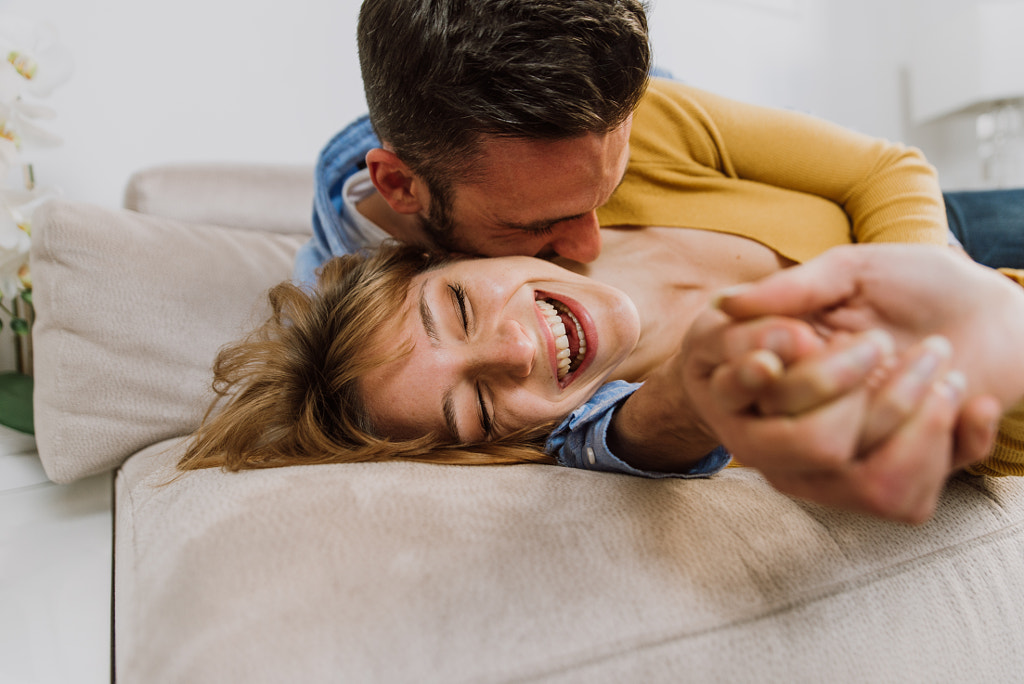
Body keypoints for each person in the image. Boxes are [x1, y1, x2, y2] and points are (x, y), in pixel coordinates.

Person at [295, 0, 1024, 521]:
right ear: (400, 189)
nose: (586, 242)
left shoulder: (593, 127)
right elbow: (626, 432)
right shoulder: (411, 366)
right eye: (541, 221)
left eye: (602, 193)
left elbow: (884, 169)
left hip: (939, 223)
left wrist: (929, 287)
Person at [182, 232, 1024, 523]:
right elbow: (641, 433)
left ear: (449, 250)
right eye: (477, 402)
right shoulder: (592, 425)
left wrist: (923, 253)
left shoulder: (605, 174)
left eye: (462, 308)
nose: (513, 351)